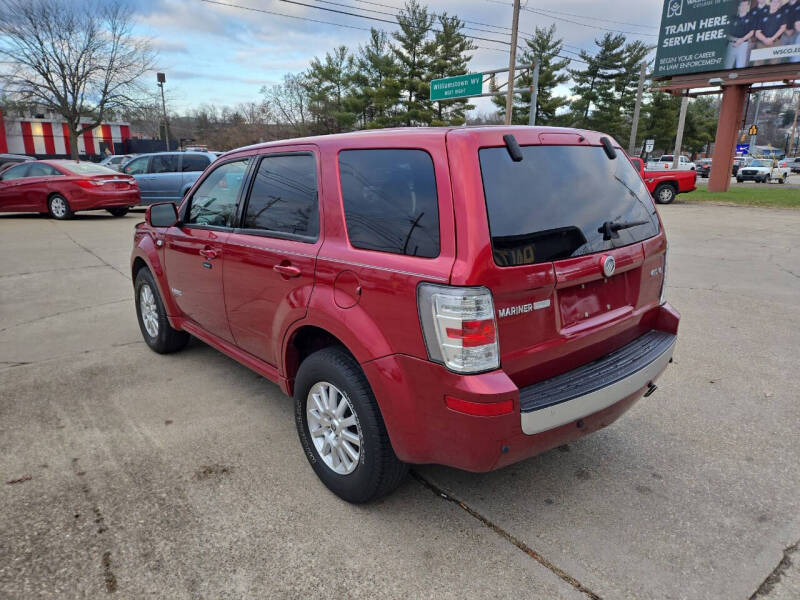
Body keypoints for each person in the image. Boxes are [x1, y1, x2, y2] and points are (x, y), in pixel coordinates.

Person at [755, 0, 788, 64]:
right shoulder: (762, 14)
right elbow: (757, 33)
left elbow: (783, 28)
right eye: (774, 1)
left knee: (774, 64)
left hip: (776, 43)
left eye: (777, 2)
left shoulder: (782, 14)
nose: (775, 3)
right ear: (770, 3)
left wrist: (771, 39)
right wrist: (765, 40)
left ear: (779, 4)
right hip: (762, 43)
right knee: (758, 64)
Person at [726, 1, 757, 69]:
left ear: (748, 7)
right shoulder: (732, 18)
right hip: (731, 44)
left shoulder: (751, 18)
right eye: (742, 5)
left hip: (744, 45)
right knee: (727, 67)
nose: (743, 7)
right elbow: (726, 34)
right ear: (739, 7)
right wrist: (737, 40)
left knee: (741, 66)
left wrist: (741, 40)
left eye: (745, 5)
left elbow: (751, 32)